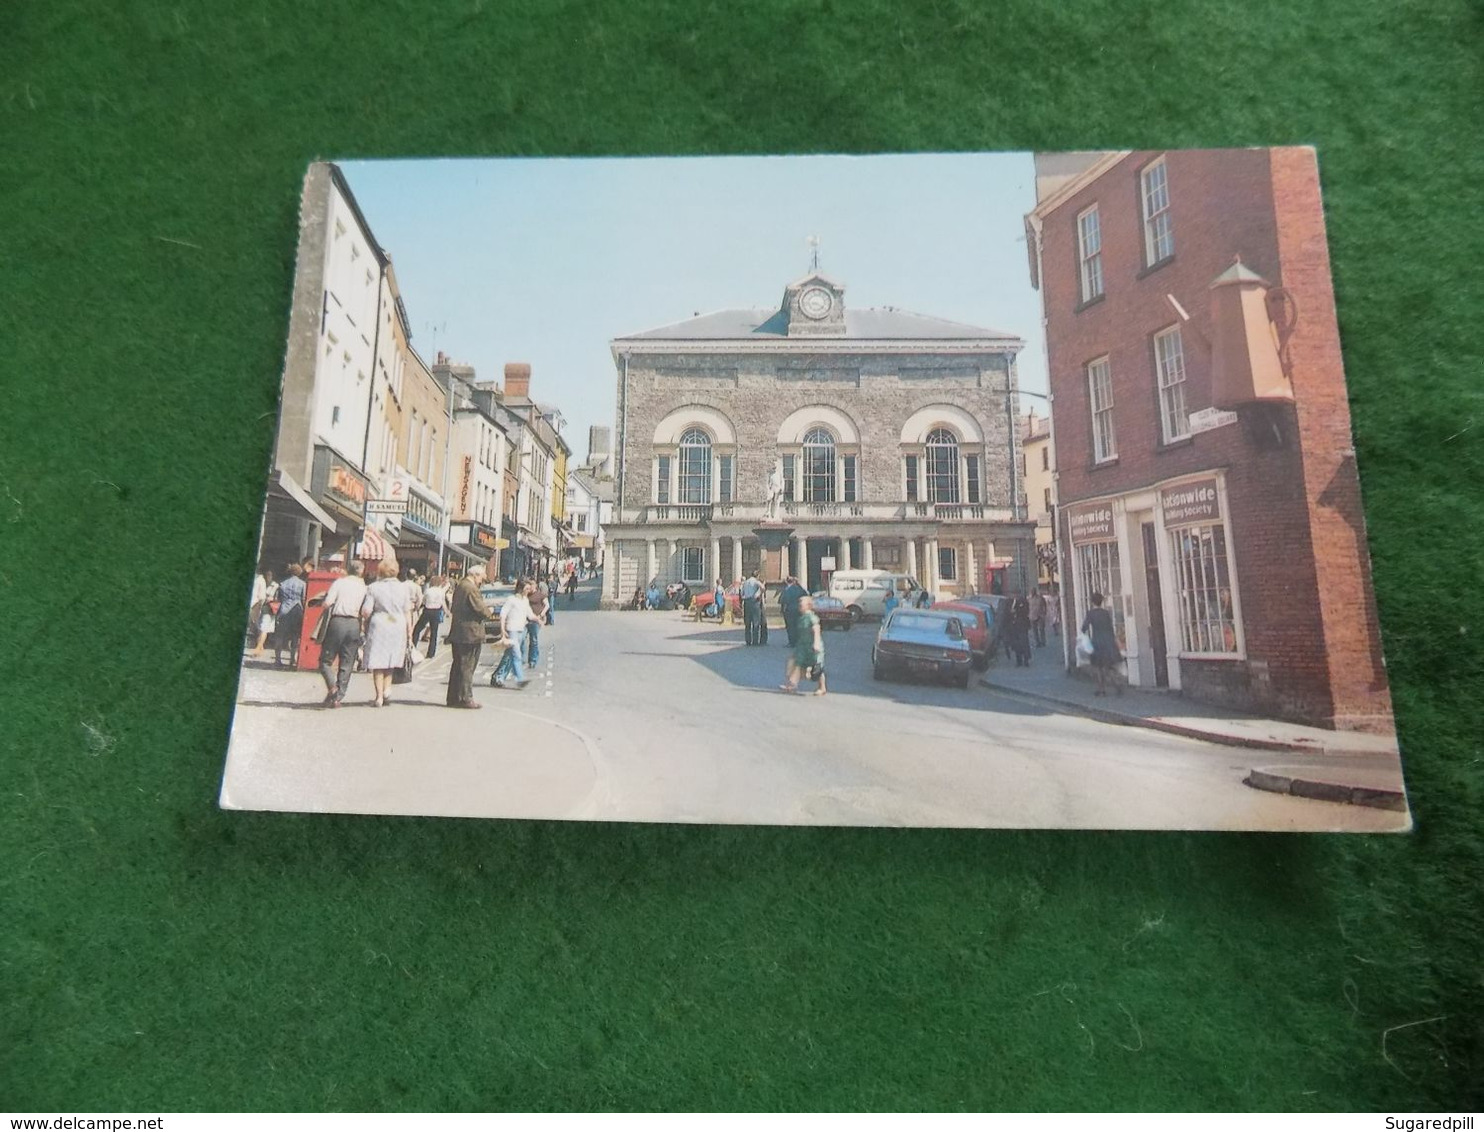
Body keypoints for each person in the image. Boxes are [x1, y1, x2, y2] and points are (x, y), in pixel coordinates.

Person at [360, 558, 413, 708]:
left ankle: (378, 697)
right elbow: (407, 611)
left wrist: (364, 619)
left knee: (378, 661)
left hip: (380, 623)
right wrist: (409, 631)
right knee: (391, 658)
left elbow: (366, 611)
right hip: (397, 623)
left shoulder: (373, 588)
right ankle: (387, 690)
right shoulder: (404, 588)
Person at [317, 561, 368, 707]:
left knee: (325, 660)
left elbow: (327, 603)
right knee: (347, 661)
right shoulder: (364, 587)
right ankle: (338, 697)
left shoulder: (339, 583)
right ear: (361, 572)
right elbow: (365, 610)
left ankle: (332, 687)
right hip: (354, 624)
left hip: (337, 622)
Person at [444, 564, 491, 709]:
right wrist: (489, 611)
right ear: (475, 575)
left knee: (458, 666)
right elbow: (481, 609)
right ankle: (465, 698)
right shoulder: (470, 589)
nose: (481, 581)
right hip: (470, 633)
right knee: (467, 667)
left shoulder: (461, 586)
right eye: (481, 578)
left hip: (459, 632)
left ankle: (453, 698)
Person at [780, 595, 827, 696]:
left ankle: (822, 687)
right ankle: (792, 685)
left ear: (808, 606)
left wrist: (816, 643)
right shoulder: (801, 618)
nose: (799, 606)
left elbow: (816, 630)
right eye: (799, 604)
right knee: (797, 663)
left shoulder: (811, 617)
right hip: (802, 646)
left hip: (812, 646)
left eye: (801, 604)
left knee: (817, 668)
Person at [1080, 591, 1123, 696]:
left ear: (1092, 602)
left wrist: (1084, 635)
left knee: (1098, 667)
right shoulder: (1105, 613)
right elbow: (1110, 628)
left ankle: (1101, 689)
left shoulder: (1091, 614)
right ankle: (1116, 684)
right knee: (1108, 665)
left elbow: (1084, 628)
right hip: (1108, 641)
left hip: (1097, 642)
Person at [492, 580, 533, 689]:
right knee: (516, 655)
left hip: (521, 630)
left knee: (509, 655)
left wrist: (539, 619)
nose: (529, 591)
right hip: (512, 630)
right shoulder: (511, 600)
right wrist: (502, 631)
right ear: (520, 588)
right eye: (527, 589)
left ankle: (498, 677)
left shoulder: (525, 600)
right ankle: (520, 679)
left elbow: (530, 614)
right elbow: (503, 615)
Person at [273, 563, 306, 668]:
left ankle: (278, 659)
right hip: (297, 610)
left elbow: (278, 598)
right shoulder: (303, 584)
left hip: (284, 610)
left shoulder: (282, 583)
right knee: (295, 636)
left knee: (280, 635)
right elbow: (304, 599)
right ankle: (292, 659)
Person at [413, 574, 448, 658]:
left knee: (417, 629)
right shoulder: (441, 591)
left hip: (427, 610)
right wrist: (447, 612)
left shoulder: (428, 591)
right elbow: (443, 602)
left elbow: (424, 601)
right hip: (436, 611)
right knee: (434, 633)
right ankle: (431, 653)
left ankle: (413, 647)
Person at [779, 575, 808, 647]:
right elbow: (806, 595)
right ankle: (798, 641)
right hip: (799, 610)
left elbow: (783, 600)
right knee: (798, 626)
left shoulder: (787, 589)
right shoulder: (800, 589)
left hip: (789, 610)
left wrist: (782, 610)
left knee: (790, 627)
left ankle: (792, 642)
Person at [526, 579, 548, 666]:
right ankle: (521, 659)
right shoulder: (526, 595)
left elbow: (547, 605)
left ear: (535, 585)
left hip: (535, 620)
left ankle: (533, 659)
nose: (530, 587)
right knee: (522, 639)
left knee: (533, 640)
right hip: (525, 619)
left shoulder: (540, 595)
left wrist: (541, 615)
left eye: (531, 585)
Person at [1007, 594, 1033, 667]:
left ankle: (1024, 660)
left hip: (1021, 626)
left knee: (1023, 643)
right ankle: (1020, 660)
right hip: (1016, 627)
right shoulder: (1013, 602)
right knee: (1018, 644)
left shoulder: (1022, 603)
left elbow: (1024, 612)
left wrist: (1015, 611)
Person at [740, 570, 765, 646]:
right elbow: (763, 588)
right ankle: (755, 641)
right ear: (757, 576)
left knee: (747, 623)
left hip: (747, 602)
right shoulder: (756, 582)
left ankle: (748, 640)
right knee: (755, 622)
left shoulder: (745, 582)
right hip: (754, 602)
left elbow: (742, 593)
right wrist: (759, 594)